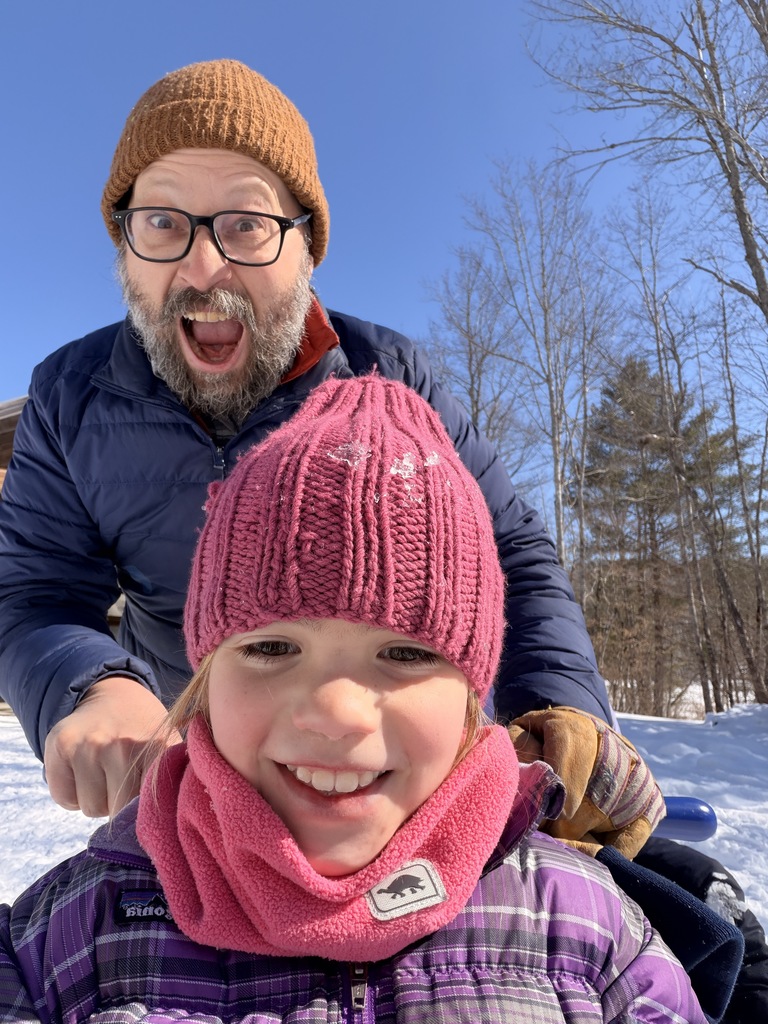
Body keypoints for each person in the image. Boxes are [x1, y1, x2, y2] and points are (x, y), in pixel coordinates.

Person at [0, 57, 614, 820]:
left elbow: (510, 553)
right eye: (161, 222)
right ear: (123, 250)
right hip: (179, 760)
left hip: (385, 766)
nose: (202, 264)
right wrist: (93, 685)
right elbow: (34, 591)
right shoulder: (68, 397)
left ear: (308, 250)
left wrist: (557, 703)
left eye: (247, 224)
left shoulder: (391, 377)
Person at [0, 374, 711, 1024]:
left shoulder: (591, 934)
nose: (336, 712)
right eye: (271, 647)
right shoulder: (68, 943)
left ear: (472, 694)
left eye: (404, 652)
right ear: (204, 679)